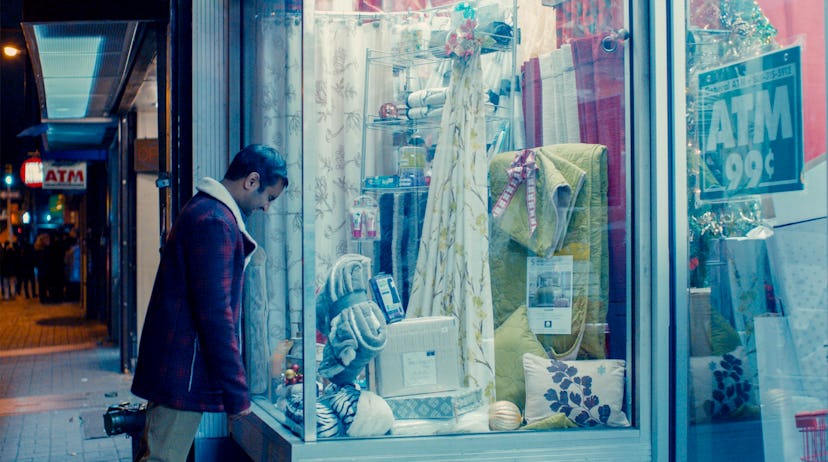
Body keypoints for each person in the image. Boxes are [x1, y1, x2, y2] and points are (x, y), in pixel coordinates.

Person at [132, 144, 288, 462]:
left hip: (179, 370)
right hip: (180, 373)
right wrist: (236, 394)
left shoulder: (208, 212)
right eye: (268, 198)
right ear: (252, 180)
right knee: (163, 458)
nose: (266, 208)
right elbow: (216, 316)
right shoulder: (215, 221)